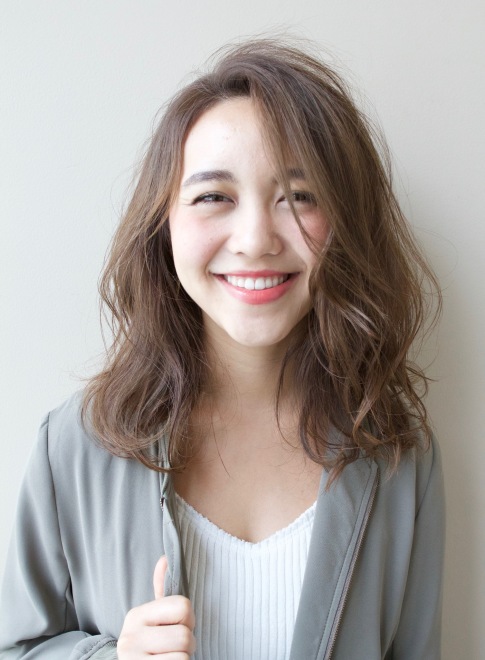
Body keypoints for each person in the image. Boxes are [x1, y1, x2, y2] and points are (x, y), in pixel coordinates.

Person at [0, 38, 445, 660]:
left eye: (299, 196)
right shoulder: (75, 444)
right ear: (164, 224)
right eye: (214, 196)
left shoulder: (398, 453)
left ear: (346, 222)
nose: (256, 239)